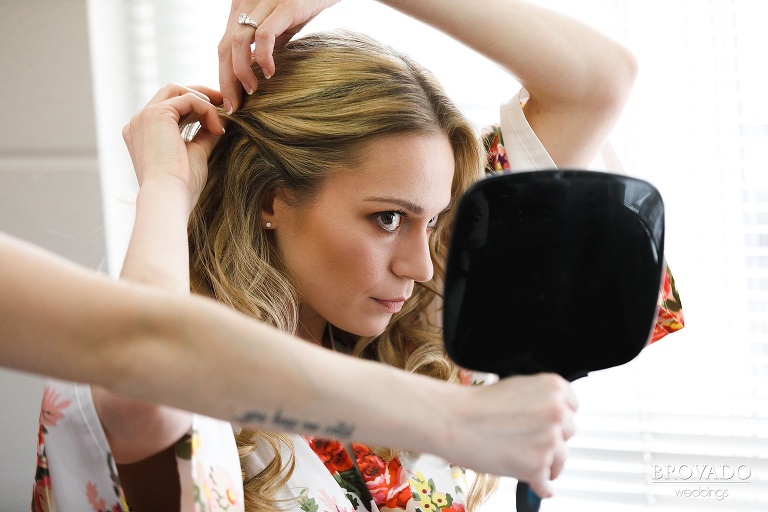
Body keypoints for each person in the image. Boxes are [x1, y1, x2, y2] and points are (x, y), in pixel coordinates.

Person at [31, 0, 683, 511]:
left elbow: (599, 82)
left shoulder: (420, 323)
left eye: (430, 223)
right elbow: (143, 385)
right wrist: (167, 186)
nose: (422, 266)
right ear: (269, 198)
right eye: (387, 218)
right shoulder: (170, 363)